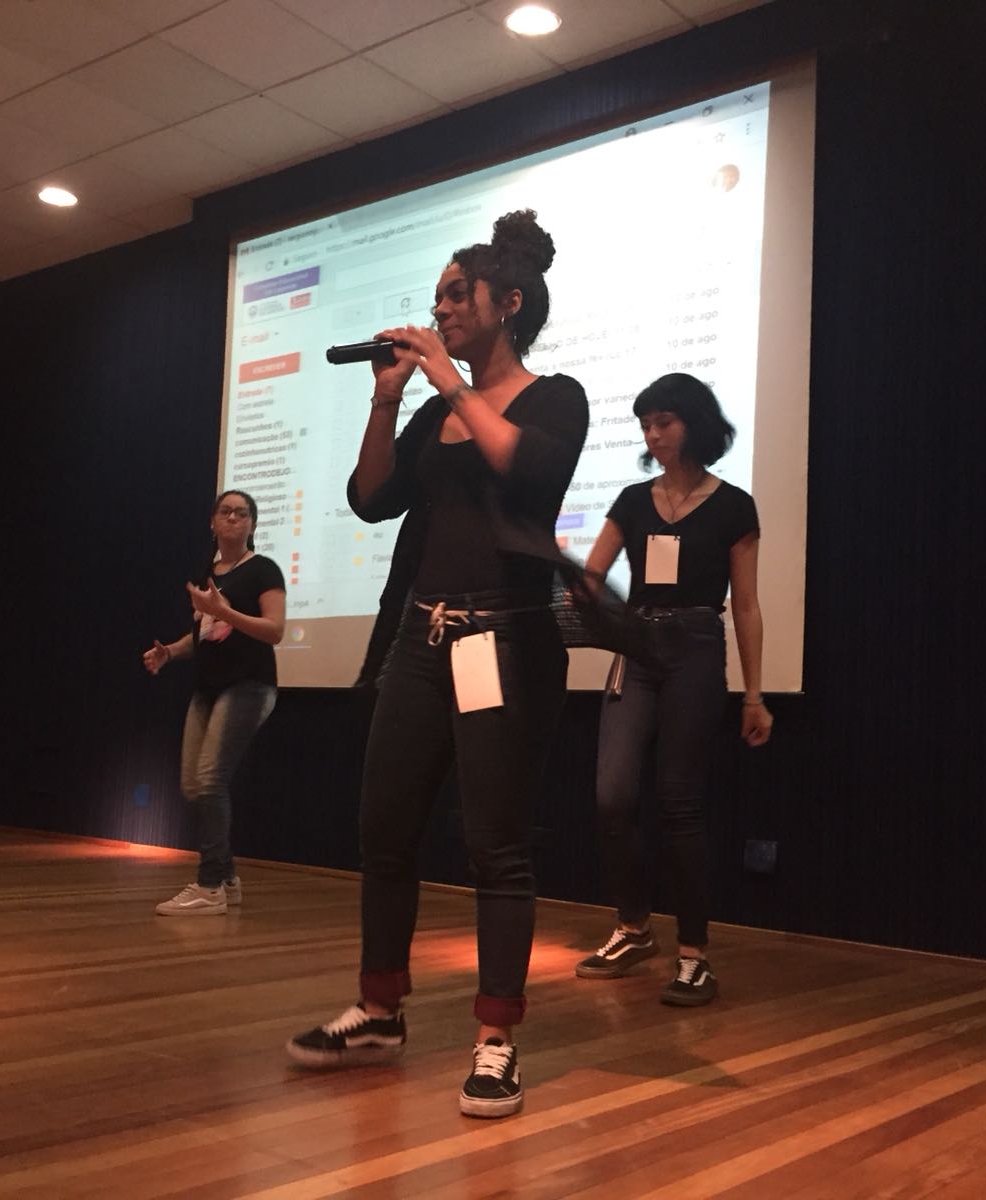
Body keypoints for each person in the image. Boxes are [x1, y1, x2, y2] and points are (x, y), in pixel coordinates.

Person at [287, 210, 587, 1120]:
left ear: (509, 303)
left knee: (497, 844)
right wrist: (387, 399)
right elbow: (370, 498)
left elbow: (530, 476)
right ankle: (380, 1012)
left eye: (458, 295)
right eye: (438, 298)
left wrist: (451, 384)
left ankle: (496, 1038)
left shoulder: (554, 397)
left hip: (504, 643)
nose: (440, 310)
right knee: (384, 829)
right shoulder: (429, 413)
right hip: (420, 640)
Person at [572, 374, 772, 1003]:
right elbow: (593, 576)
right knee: (611, 796)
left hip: (695, 647)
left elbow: (746, 606)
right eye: (645, 425)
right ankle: (634, 927)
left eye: (663, 422)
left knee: (679, 801)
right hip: (637, 647)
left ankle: (694, 956)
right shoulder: (633, 501)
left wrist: (755, 695)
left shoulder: (734, 505)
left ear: (694, 422)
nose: (652, 435)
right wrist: (570, 580)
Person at [144, 490, 285, 916]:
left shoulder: (263, 570)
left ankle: (209, 887)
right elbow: (204, 635)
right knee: (193, 786)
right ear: (212, 522)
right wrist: (170, 652)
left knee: (210, 780)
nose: (233, 518)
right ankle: (227, 877)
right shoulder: (208, 573)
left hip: (249, 686)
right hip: (208, 688)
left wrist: (226, 611)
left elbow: (275, 630)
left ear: (252, 524)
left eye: (242, 513)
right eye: (226, 512)